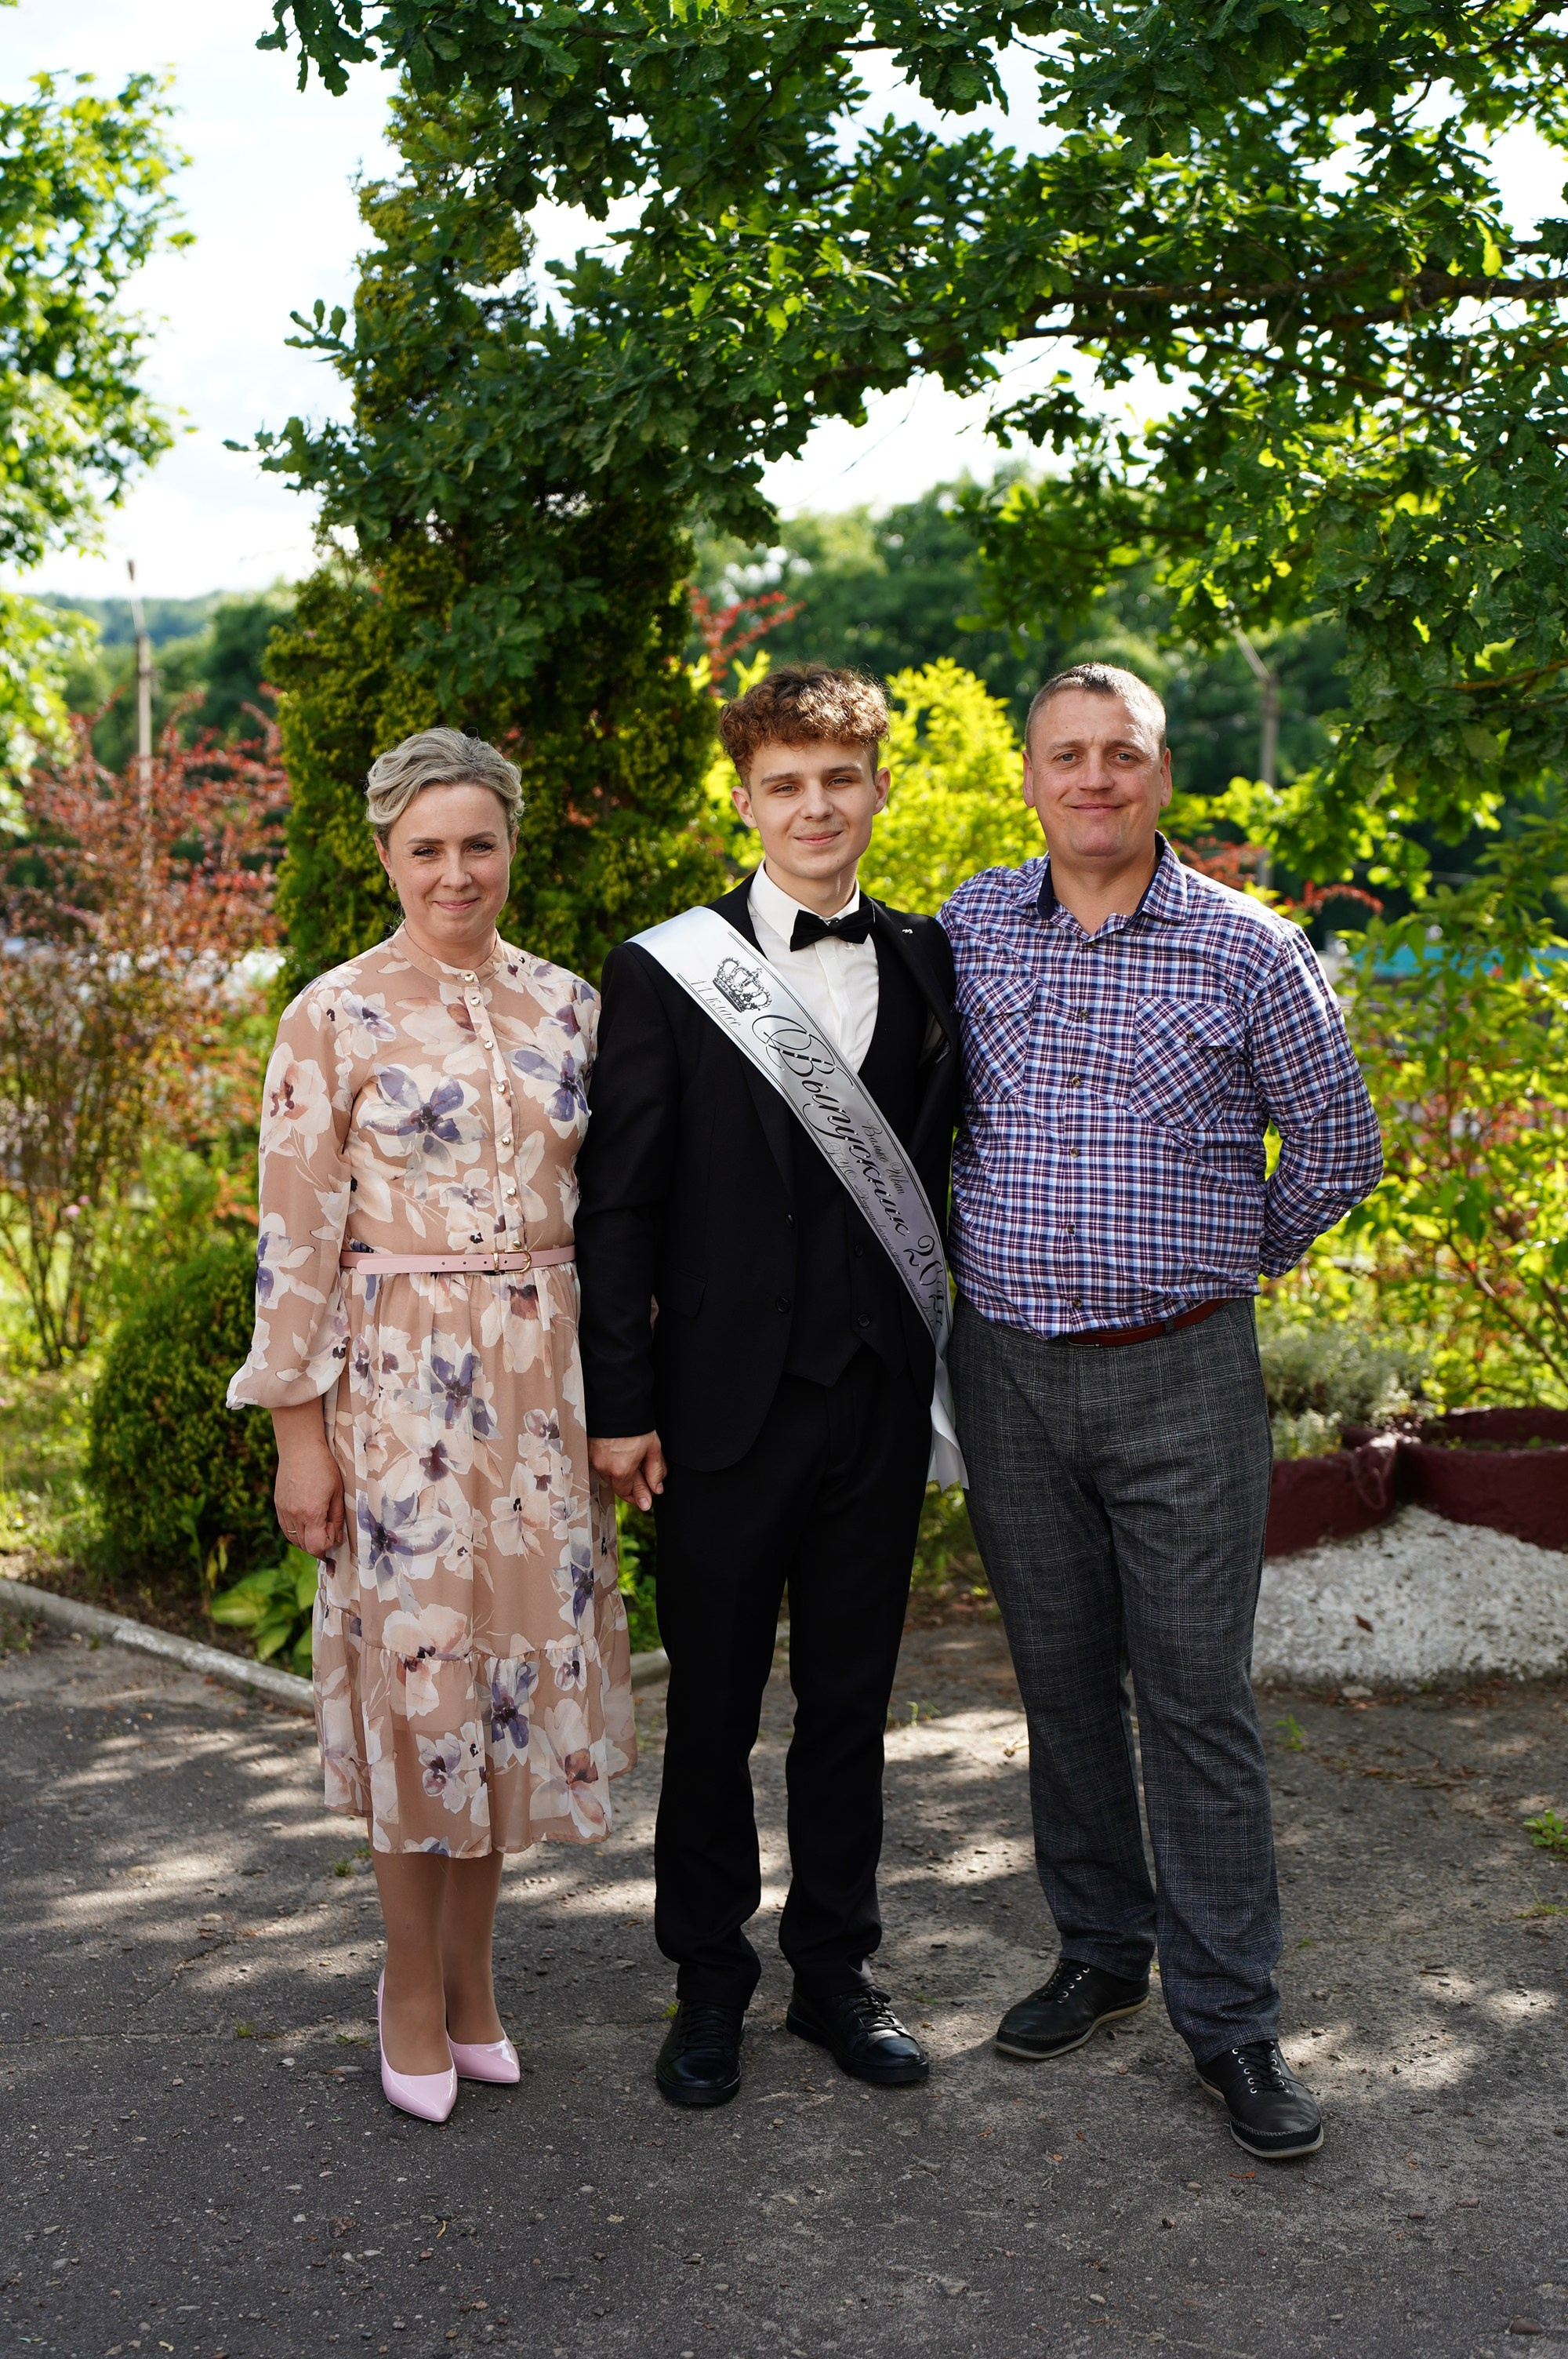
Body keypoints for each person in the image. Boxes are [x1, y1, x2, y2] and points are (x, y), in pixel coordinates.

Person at [941, 662, 1382, 2162]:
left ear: (1162, 774)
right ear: (1031, 778)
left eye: (1119, 755)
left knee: (1195, 1698)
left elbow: (1336, 1144)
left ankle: (1234, 2020)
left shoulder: (1252, 951)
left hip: (1184, 1372)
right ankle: (1100, 1951)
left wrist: (1226, 1258)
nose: (1093, 781)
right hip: (1004, 1370)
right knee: (1060, 1679)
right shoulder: (971, 929)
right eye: (1066, 757)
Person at [228, 728, 635, 2125]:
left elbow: (621, 1215)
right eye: (426, 849)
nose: (454, 872)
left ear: (513, 846)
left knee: (507, 1695)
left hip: (546, 1390)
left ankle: (477, 1986)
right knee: (420, 1697)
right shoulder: (328, 1017)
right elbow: (293, 1244)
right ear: (386, 856)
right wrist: (298, 1436)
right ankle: (408, 1988)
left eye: (478, 844)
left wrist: (622, 1405)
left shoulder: (577, 1008)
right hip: (399, 1395)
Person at [575, 664, 960, 2106]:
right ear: (744, 800)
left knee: (852, 1703)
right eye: (785, 784)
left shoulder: (927, 962)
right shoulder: (666, 969)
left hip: (873, 1401)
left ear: (875, 791)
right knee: (717, 1713)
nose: (815, 807)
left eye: (839, 780)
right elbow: (615, 1207)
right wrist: (620, 1401)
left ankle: (837, 1975)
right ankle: (709, 1983)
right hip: (717, 1412)